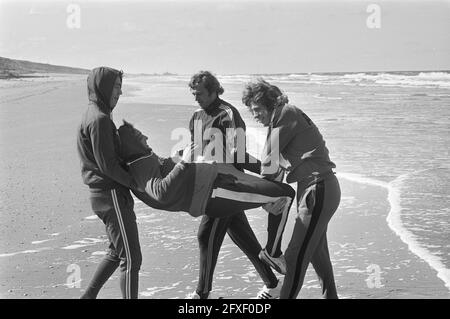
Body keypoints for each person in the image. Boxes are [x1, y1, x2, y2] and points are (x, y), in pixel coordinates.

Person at [180, 71, 290, 299]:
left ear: (213, 91)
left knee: (206, 234)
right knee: (243, 237)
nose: (196, 98)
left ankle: (202, 294)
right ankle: (272, 285)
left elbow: (238, 156)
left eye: (199, 93)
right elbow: (194, 150)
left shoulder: (228, 114)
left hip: (228, 186)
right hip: (207, 186)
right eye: (193, 94)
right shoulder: (196, 116)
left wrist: (266, 174)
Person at [242, 78, 341, 299]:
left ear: (269, 103)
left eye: (257, 109)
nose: (255, 115)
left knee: (295, 257)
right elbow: (275, 167)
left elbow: (268, 162)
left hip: (318, 189)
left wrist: (262, 199)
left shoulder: (283, 114)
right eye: (251, 111)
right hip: (317, 189)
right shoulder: (285, 115)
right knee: (317, 254)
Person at [118, 121, 295, 224]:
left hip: (213, 183)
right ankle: (272, 252)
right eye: (140, 135)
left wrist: (179, 156)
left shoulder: (143, 159)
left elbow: (164, 171)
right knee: (286, 193)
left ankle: (269, 185)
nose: (146, 138)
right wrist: (185, 161)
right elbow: (162, 193)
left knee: (222, 148)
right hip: (213, 193)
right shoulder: (139, 166)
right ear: (131, 142)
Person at [76, 67, 143, 299]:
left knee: (116, 252)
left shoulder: (94, 113)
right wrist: (136, 182)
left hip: (104, 194)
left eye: (120, 87)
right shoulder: (100, 119)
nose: (120, 92)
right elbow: (108, 166)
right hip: (110, 194)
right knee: (132, 257)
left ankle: (88, 296)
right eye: (115, 87)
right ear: (102, 86)